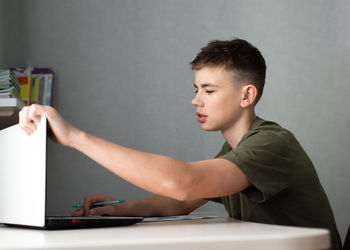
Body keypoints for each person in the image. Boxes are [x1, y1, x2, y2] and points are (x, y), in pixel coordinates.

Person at [19, 38, 341, 249]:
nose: (195, 101)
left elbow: (184, 184)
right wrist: (116, 209)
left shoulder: (271, 144)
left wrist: (75, 137)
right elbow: (183, 202)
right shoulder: (235, 150)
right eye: (196, 89)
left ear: (247, 95)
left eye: (209, 90)